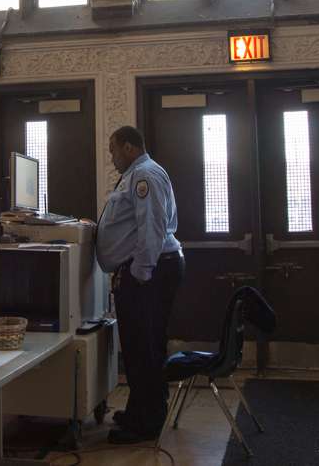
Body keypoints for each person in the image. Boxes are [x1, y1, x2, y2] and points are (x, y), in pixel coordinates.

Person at [94, 126, 184, 444]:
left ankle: (145, 423)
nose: (111, 156)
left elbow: (152, 226)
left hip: (151, 272)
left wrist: (140, 274)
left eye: (113, 149)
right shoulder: (137, 174)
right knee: (138, 347)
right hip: (147, 271)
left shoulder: (145, 175)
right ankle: (140, 410)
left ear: (130, 147)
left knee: (143, 346)